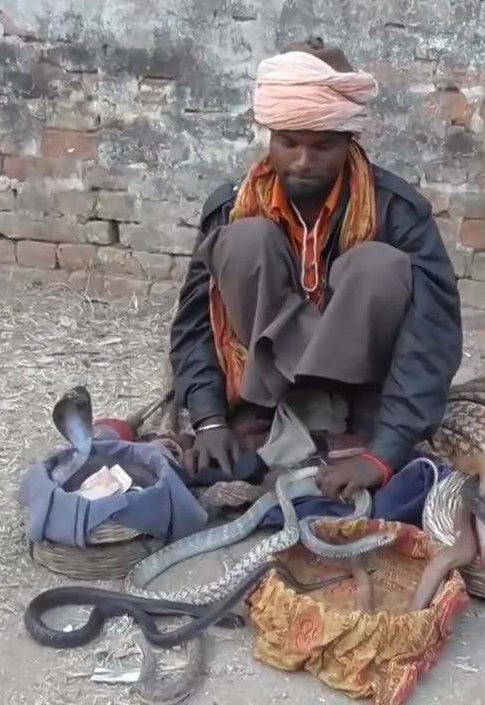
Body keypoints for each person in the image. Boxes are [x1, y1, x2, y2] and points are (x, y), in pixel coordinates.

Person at [168, 37, 463, 502]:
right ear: (270, 139)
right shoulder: (231, 207)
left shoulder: (398, 211)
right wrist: (208, 420)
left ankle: (352, 422)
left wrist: (385, 451)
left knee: (378, 265)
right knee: (246, 241)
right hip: (262, 388)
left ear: (349, 140)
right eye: (288, 143)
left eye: (323, 146)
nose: (303, 161)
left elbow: (433, 335)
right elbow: (194, 324)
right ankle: (262, 414)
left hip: (363, 389)